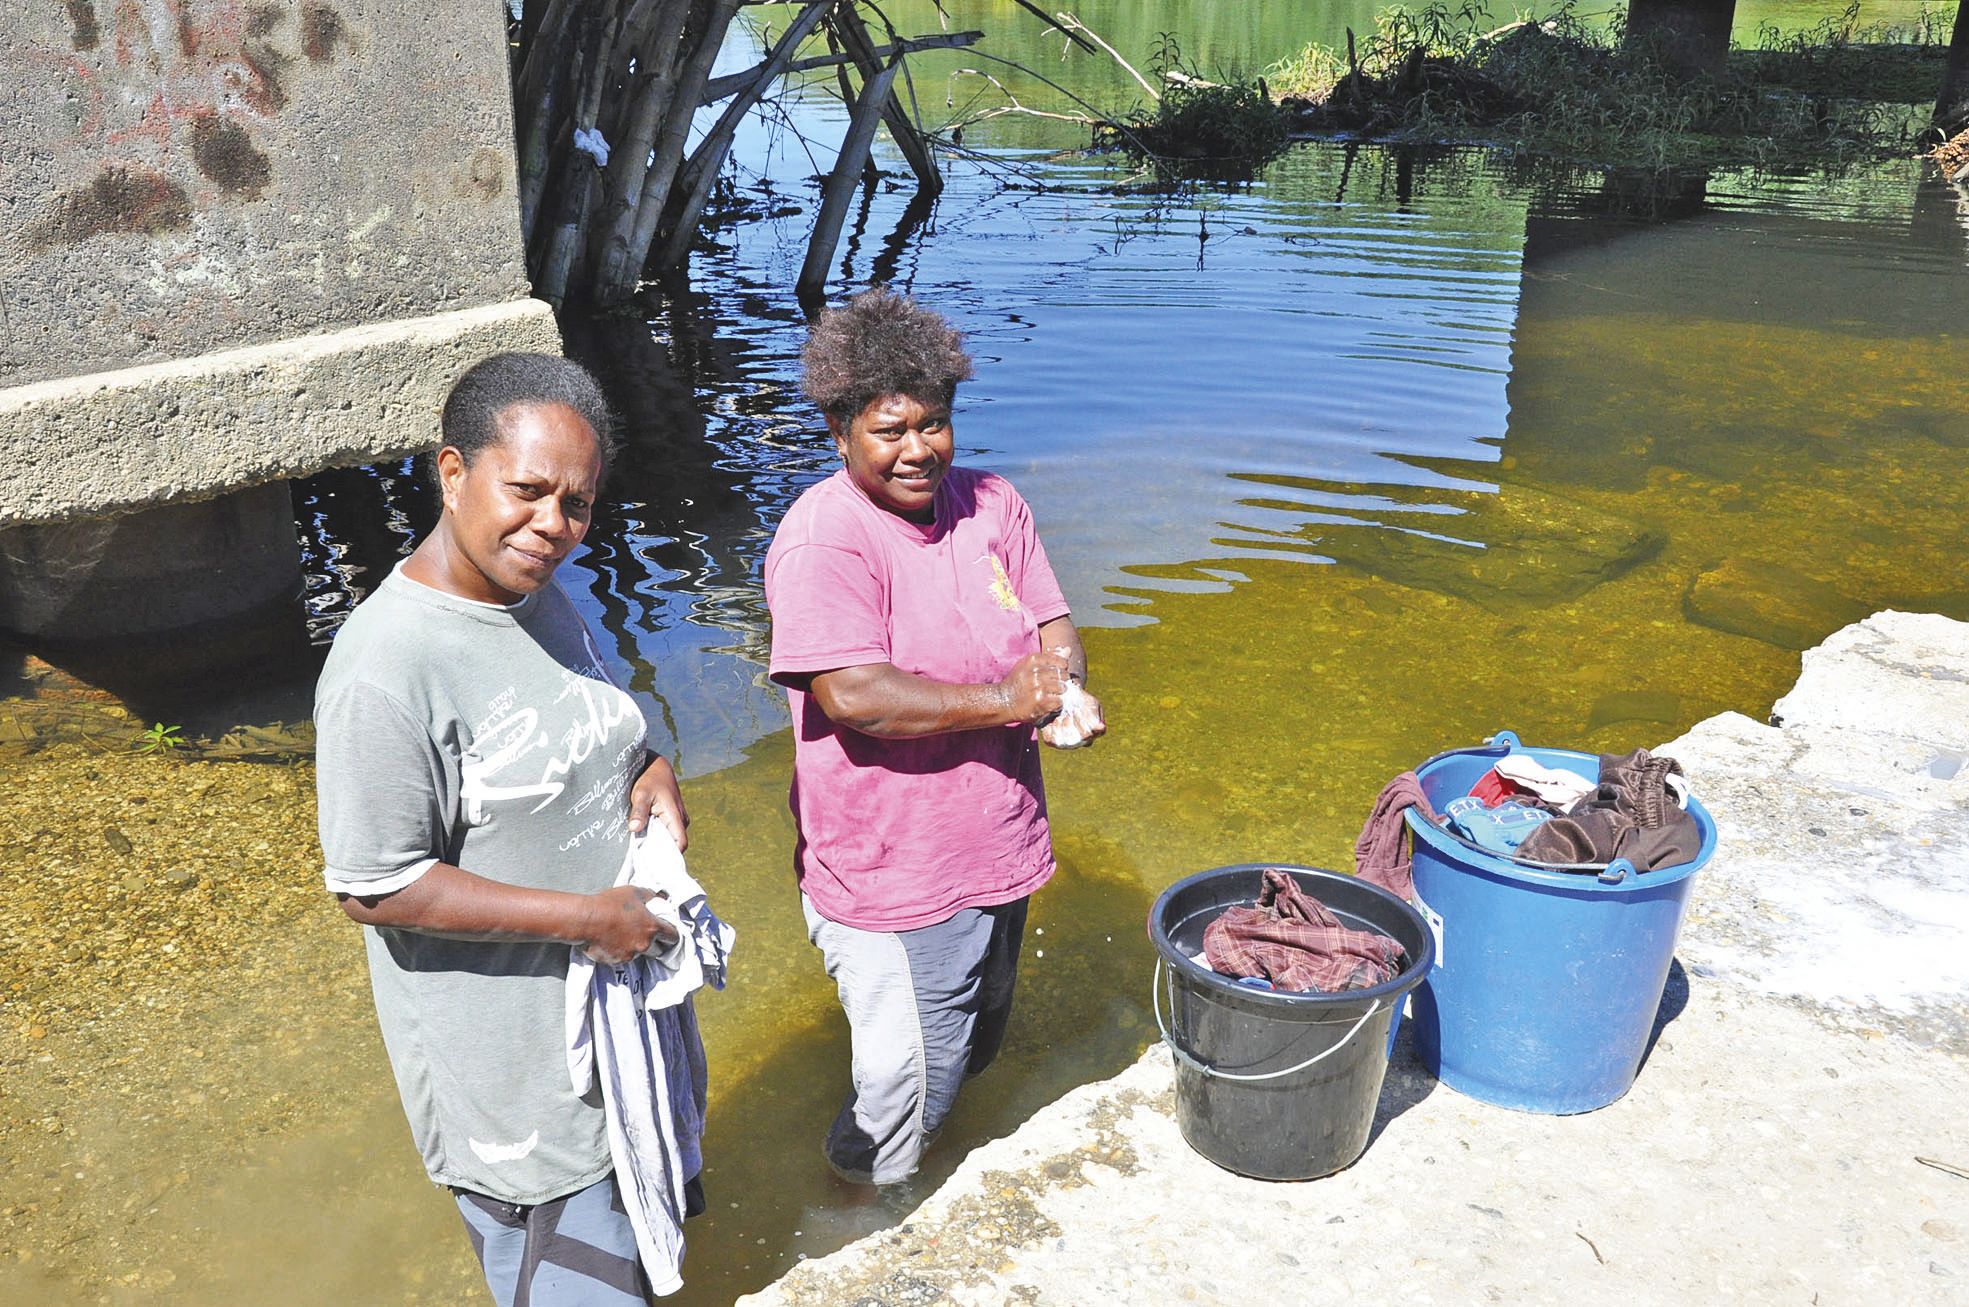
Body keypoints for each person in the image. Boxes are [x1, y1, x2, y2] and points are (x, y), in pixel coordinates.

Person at [313, 353, 691, 1306]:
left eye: (578, 503)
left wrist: (646, 762)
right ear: (452, 472)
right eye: (527, 490)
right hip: (518, 1085)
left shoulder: (536, 593)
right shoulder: (384, 668)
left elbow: (584, 716)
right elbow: (376, 884)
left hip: (614, 1040)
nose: (553, 525)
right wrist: (588, 920)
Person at [762, 287, 1106, 1186]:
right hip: (893, 869)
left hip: (997, 842)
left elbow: (1051, 622)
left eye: (935, 423)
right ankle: (855, 1206)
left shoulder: (991, 504)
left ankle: (917, 1164)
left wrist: (1062, 688)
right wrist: (1007, 698)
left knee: (969, 1045)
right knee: (903, 1089)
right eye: (890, 429)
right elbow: (854, 695)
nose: (917, 448)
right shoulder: (824, 538)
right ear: (839, 431)